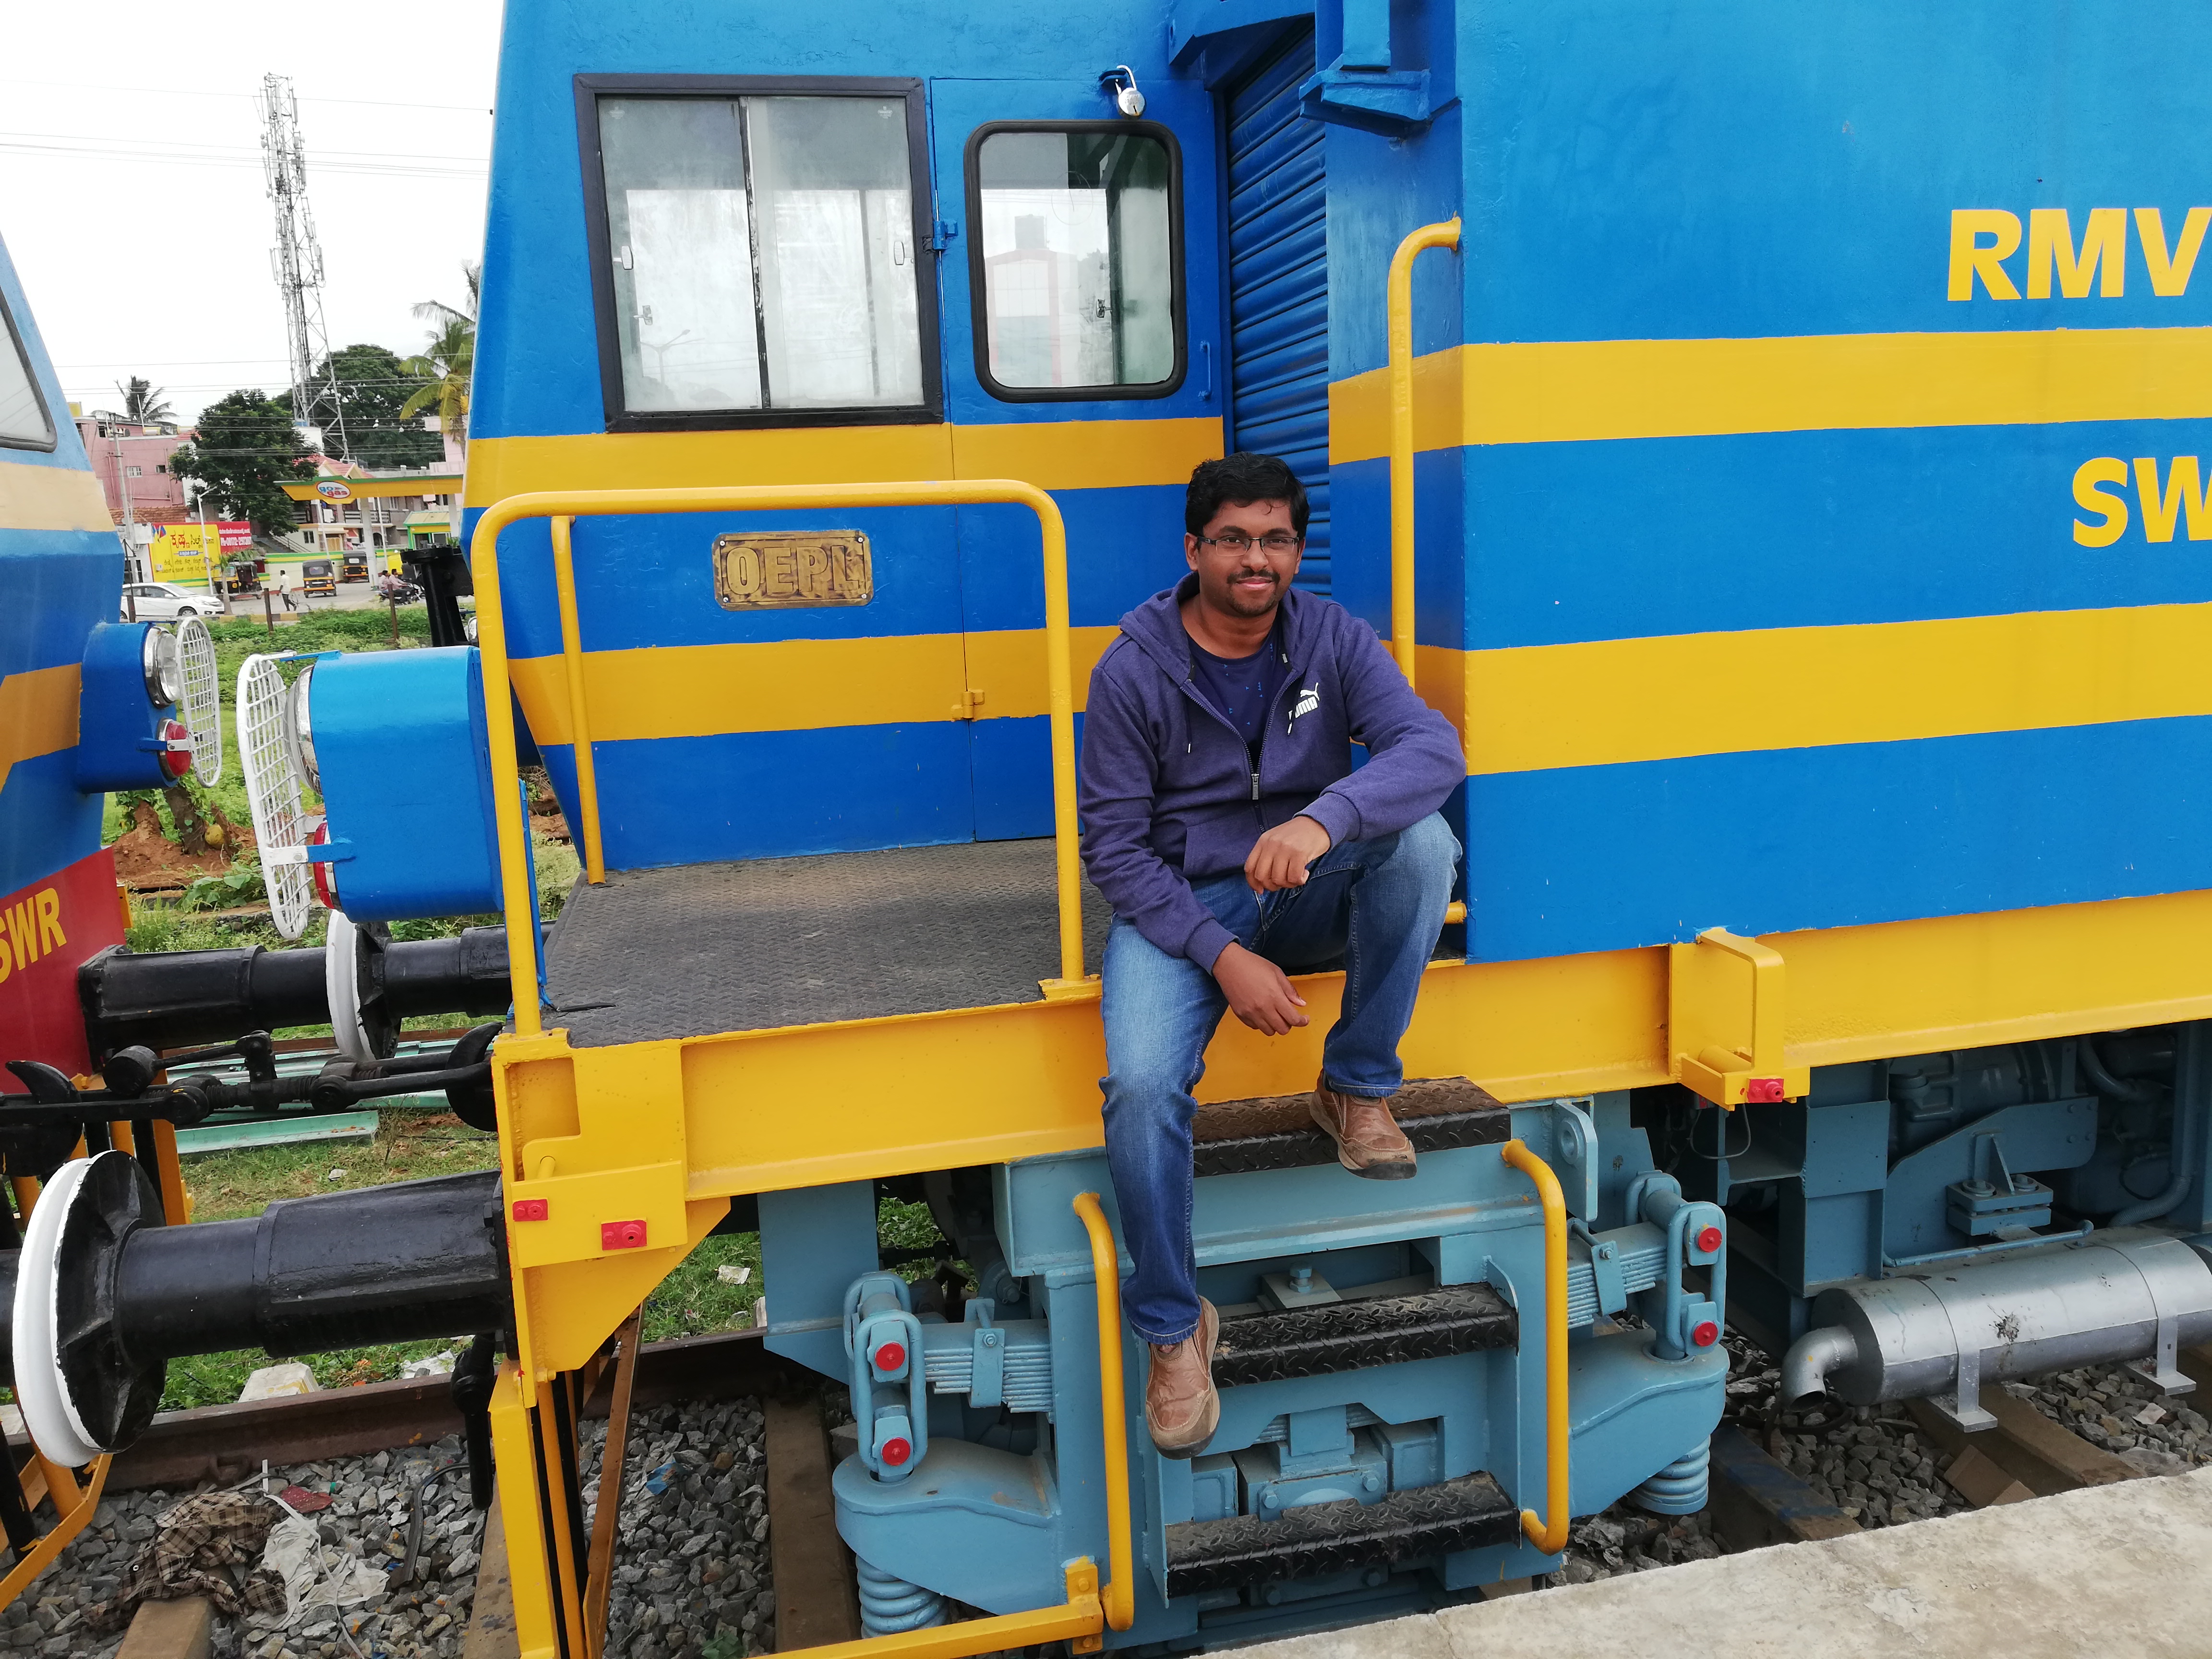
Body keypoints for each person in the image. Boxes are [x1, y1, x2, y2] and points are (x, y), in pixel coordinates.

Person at [1078, 451, 1467, 1457]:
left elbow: (1433, 749)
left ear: (1297, 550)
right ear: (1194, 550)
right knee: (1141, 1087)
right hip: (1185, 905)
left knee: (1424, 844)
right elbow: (1113, 849)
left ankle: (1356, 1087)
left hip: (1302, 877)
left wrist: (1323, 819)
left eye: (1277, 540)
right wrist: (1220, 954)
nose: (1257, 559)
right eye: (1235, 540)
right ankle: (1175, 1329)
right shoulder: (1132, 671)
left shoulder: (1332, 638)